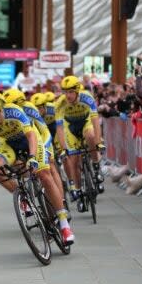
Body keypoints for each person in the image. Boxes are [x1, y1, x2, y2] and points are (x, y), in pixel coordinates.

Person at [0, 90, 75, 245]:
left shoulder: (14, 111)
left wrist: (33, 157)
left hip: (30, 140)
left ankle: (64, 224)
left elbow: (31, 136)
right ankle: (22, 196)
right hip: (10, 145)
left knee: (44, 174)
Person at [3, 89, 66, 208]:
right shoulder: (6, 113)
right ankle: (26, 194)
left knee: (51, 167)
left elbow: (44, 130)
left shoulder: (29, 108)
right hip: (21, 142)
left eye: (14, 105)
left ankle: (60, 200)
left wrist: (46, 148)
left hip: (40, 138)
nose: (11, 108)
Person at [54, 76, 105, 211]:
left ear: (77, 91)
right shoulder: (59, 104)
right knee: (74, 160)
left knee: (90, 135)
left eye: (70, 92)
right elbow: (59, 128)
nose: (67, 95)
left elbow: (95, 121)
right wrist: (64, 148)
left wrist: (98, 142)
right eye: (65, 92)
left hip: (85, 122)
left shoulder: (87, 98)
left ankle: (95, 164)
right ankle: (78, 190)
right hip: (70, 127)